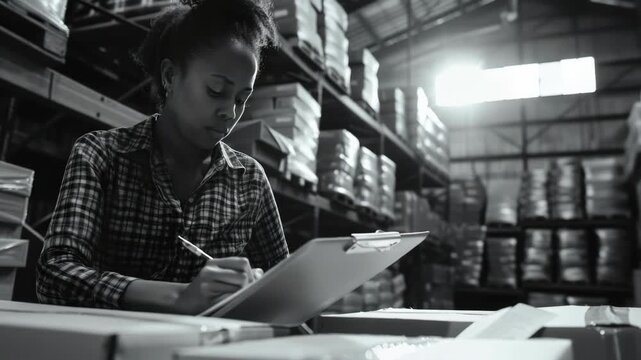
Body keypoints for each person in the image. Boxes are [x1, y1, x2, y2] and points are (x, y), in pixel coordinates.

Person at [36, 0, 289, 315]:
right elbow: (55, 275)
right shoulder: (100, 156)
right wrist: (178, 297)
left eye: (242, 98)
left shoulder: (249, 180)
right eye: (215, 91)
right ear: (170, 76)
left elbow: (285, 289)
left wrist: (260, 285)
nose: (230, 112)